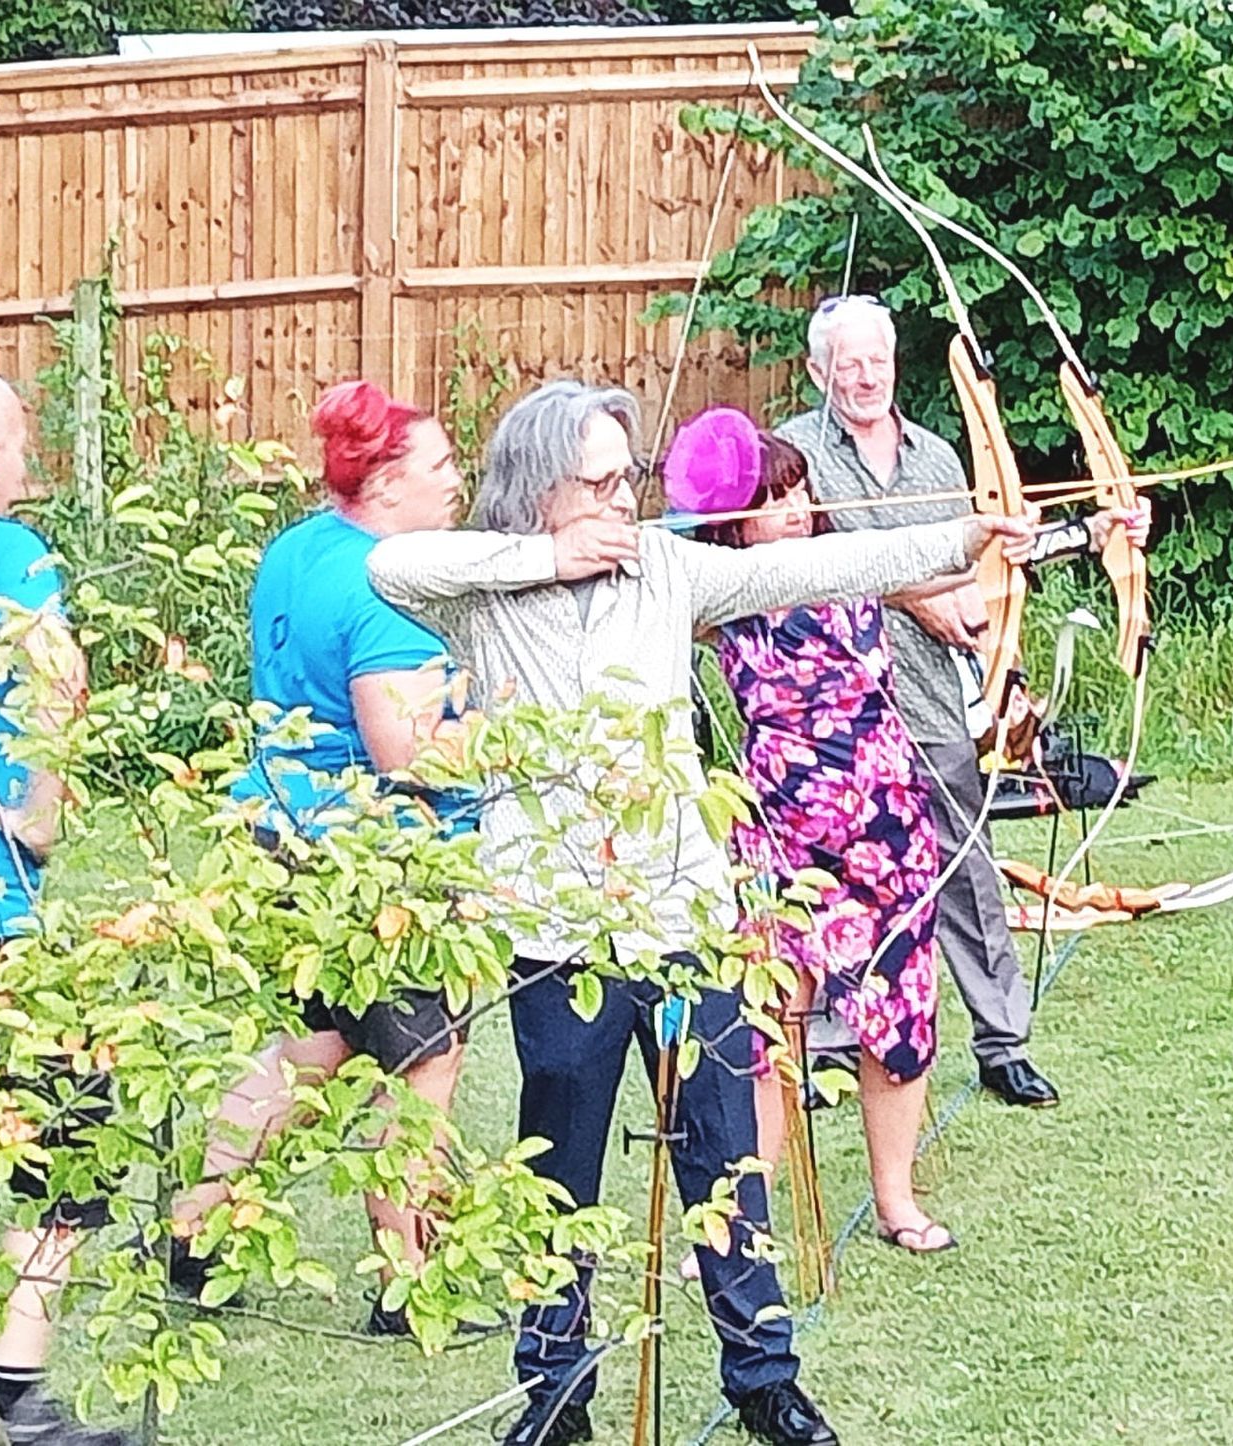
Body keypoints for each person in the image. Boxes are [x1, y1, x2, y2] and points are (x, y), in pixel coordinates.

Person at [365, 380, 1037, 1446]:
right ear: (540, 489)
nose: (616, 499)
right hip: (560, 931)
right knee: (559, 1169)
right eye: (593, 481)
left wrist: (963, 533)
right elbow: (391, 562)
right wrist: (552, 558)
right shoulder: (485, 586)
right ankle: (555, 1395)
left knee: (726, 1158)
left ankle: (764, 1377)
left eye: (624, 478)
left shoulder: (669, 566)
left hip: (684, 922)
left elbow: (806, 563)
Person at [777, 296, 1151, 1109]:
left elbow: (986, 562)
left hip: (933, 704)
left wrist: (1099, 530)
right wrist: (919, 597)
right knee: (844, 876)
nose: (866, 375)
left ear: (896, 364)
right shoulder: (793, 456)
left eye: (878, 359)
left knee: (966, 871)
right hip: (837, 710)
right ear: (818, 372)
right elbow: (815, 556)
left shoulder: (942, 457)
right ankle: (837, 1043)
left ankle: (1003, 1041)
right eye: (848, 362)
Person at [169, 380, 473, 1335]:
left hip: (283, 832)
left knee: (317, 1050)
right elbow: (407, 753)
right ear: (385, 484)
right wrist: (504, 724)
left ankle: (191, 1231)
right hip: (373, 860)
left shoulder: (297, 548)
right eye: (438, 467)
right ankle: (404, 1281)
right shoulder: (388, 583)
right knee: (427, 1061)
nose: (456, 481)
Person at [666, 409, 952, 1254]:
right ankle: (739, 1225)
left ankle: (897, 1202)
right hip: (781, 840)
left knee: (897, 1016)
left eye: (800, 494)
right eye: (770, 499)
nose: (792, 511)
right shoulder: (723, 590)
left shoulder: (849, 566)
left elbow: (950, 563)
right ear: (735, 521)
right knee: (766, 1026)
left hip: (886, 831)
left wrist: (1088, 531)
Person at [0, 366, 122, 1445]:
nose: (30, 456)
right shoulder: (9, 556)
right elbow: (61, 679)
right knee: (70, 1142)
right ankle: (16, 1395)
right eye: (18, 437)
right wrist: (39, 814)